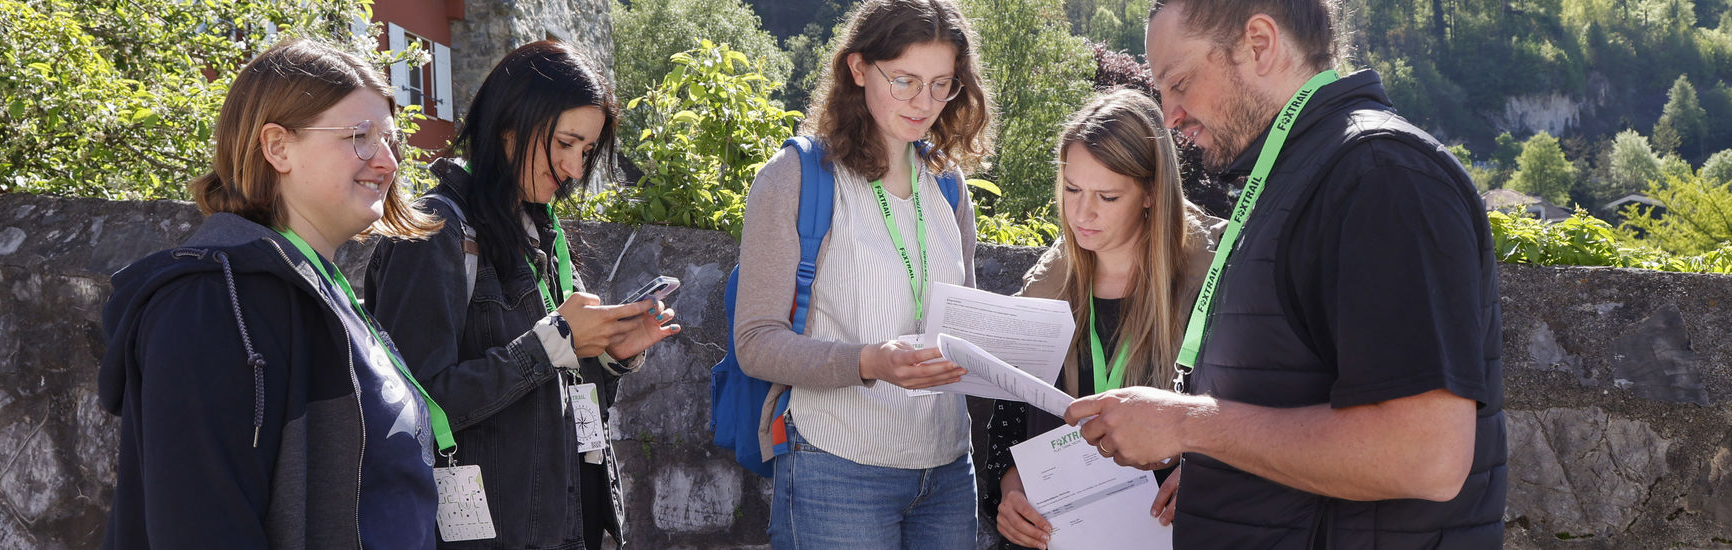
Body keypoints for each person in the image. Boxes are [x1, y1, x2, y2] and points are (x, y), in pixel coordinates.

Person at [1062, 1, 1508, 548]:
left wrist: (1187, 426)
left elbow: (1424, 456)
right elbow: (1286, 397)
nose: (1170, 115)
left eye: (1178, 82)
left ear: (1260, 43)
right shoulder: (1301, 177)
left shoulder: (1382, 177)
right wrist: (1218, 463)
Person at [99, 38, 443, 548]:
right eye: (360, 136)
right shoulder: (211, 305)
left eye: (392, 142)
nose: (388, 163)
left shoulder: (324, 292)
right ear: (278, 147)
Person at [363, 39, 679, 550]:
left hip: (565, 525)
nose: (575, 169)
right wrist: (552, 342)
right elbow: (416, 406)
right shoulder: (434, 234)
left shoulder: (543, 232)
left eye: (586, 151)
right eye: (565, 143)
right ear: (510, 126)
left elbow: (552, 387)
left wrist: (613, 355)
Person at [730, 0, 995, 547]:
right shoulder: (795, 179)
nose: (924, 103)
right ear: (857, 69)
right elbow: (755, 343)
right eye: (904, 81)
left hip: (948, 470)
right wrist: (869, 362)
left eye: (941, 83)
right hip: (836, 468)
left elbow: (960, 322)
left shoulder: (948, 186)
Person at [982, 89, 1225, 549]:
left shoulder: (1214, 287)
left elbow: (1250, 416)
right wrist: (1008, 493)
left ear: (1151, 192)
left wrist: (1209, 474)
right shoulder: (1044, 292)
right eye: (1071, 189)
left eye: (1107, 196)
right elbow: (1007, 431)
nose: (1081, 212)